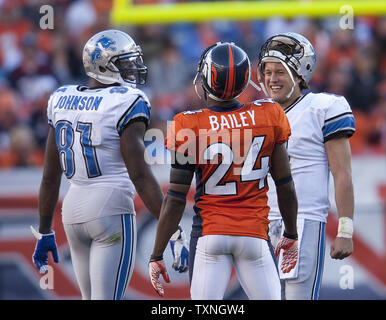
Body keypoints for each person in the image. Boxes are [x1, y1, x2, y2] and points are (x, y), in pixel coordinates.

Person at [148, 42, 299, 299]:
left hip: (211, 235)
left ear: (207, 77)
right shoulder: (269, 114)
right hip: (254, 236)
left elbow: (175, 198)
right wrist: (291, 234)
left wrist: (157, 253)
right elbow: (284, 183)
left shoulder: (188, 123)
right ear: (244, 80)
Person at [31, 29, 171, 300]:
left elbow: (50, 176)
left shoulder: (61, 98)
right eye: (124, 62)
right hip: (110, 207)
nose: (132, 68)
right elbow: (140, 176)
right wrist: (172, 229)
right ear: (104, 65)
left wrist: (45, 229)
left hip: (72, 211)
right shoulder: (127, 101)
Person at [256, 32, 355, 300]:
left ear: (299, 75)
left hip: (302, 222)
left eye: (280, 72)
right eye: (267, 71)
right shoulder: (258, 113)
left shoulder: (322, 108)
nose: (271, 79)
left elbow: (342, 173)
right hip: (259, 224)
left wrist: (345, 230)